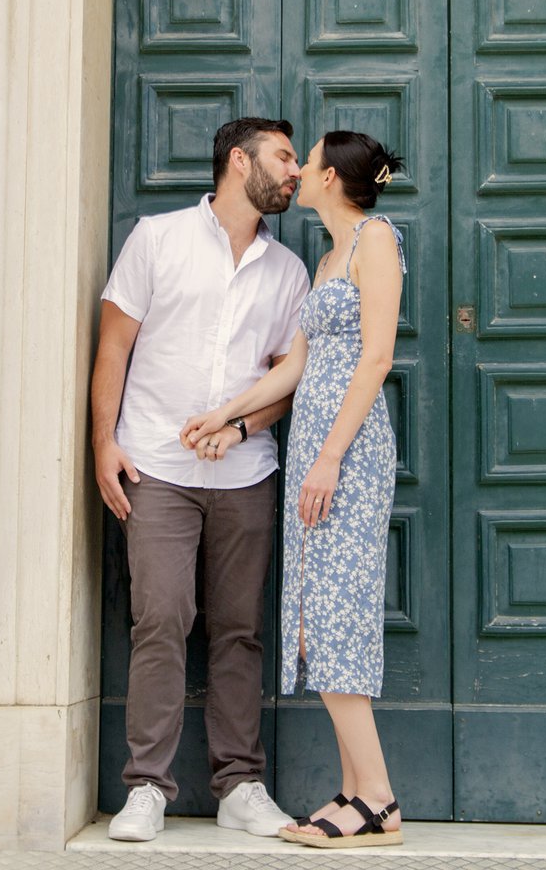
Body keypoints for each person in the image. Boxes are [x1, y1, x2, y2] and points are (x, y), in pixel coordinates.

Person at [181, 130, 407, 849]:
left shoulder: (377, 239)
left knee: (338, 607)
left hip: (349, 450)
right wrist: (229, 411)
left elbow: (376, 356)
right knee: (319, 608)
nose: (298, 171)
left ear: (334, 178)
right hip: (315, 447)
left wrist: (332, 455)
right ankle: (351, 792)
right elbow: (297, 366)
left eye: (307, 161)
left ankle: (378, 799)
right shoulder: (327, 256)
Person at [92, 117, 311, 842]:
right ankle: (147, 787)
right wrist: (102, 442)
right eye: (284, 157)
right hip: (154, 464)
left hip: (246, 475)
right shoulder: (157, 238)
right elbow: (114, 348)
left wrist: (242, 427)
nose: (295, 172)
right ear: (238, 159)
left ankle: (240, 785)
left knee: (239, 631)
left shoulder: (289, 271)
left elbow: (286, 382)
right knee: (160, 620)